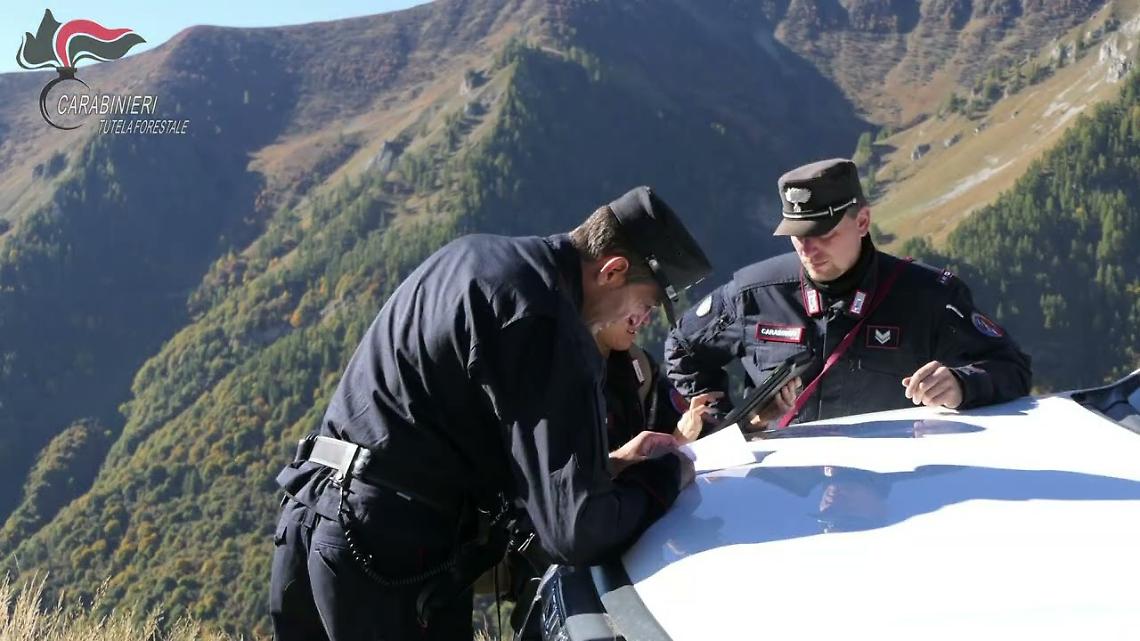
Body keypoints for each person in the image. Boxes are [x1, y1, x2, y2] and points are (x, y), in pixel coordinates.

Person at [269, 185, 712, 641]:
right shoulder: (546, 322)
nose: (642, 319)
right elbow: (577, 532)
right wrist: (665, 475)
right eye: (647, 303)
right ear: (613, 271)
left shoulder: (478, 257)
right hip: (385, 554)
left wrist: (609, 464)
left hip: (312, 515)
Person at [665, 158, 1032, 430]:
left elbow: (1011, 368)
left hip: (893, 486)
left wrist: (960, 385)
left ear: (862, 222)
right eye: (797, 236)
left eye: (824, 234)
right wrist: (721, 422)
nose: (808, 249)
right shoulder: (754, 294)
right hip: (782, 489)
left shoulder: (927, 296)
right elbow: (682, 348)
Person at [595, 319, 721, 448]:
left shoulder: (637, 363)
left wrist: (697, 423)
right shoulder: (583, 395)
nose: (644, 320)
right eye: (639, 306)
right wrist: (677, 443)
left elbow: (681, 420)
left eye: (649, 309)